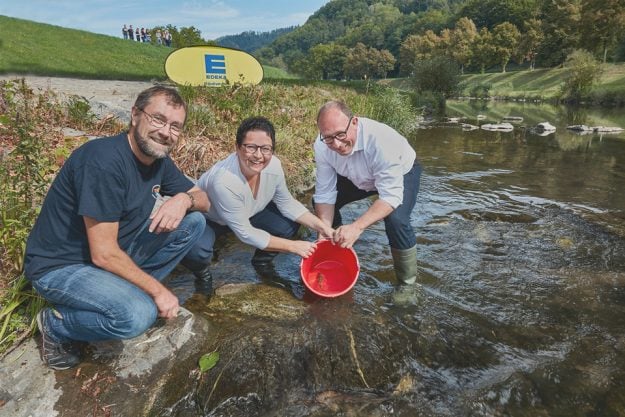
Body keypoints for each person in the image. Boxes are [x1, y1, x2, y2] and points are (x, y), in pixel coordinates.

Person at [24, 86, 210, 370]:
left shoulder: (158, 159)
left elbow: (204, 200)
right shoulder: (104, 161)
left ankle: (127, 293)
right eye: (158, 119)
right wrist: (158, 291)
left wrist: (183, 199)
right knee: (136, 316)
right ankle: (56, 325)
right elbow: (103, 254)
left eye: (175, 126)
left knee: (193, 222)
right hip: (62, 267)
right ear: (135, 115)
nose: (165, 132)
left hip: (110, 253)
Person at [183, 116, 334, 285]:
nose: (258, 156)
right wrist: (293, 246)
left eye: (266, 149)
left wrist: (323, 227)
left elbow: (287, 203)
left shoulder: (274, 166)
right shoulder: (224, 181)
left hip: (246, 213)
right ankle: (203, 277)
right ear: (238, 148)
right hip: (211, 218)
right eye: (251, 147)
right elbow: (245, 233)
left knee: (287, 224)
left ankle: (261, 262)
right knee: (197, 252)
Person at [313, 100, 422, 285]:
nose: (337, 144)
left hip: (401, 172)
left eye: (341, 134)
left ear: (354, 122)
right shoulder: (322, 145)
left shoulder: (382, 141)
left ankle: (407, 283)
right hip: (356, 175)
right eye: (329, 137)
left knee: (397, 221)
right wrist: (323, 230)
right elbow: (325, 193)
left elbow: (390, 196)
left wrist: (356, 227)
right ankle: (335, 249)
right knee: (319, 205)